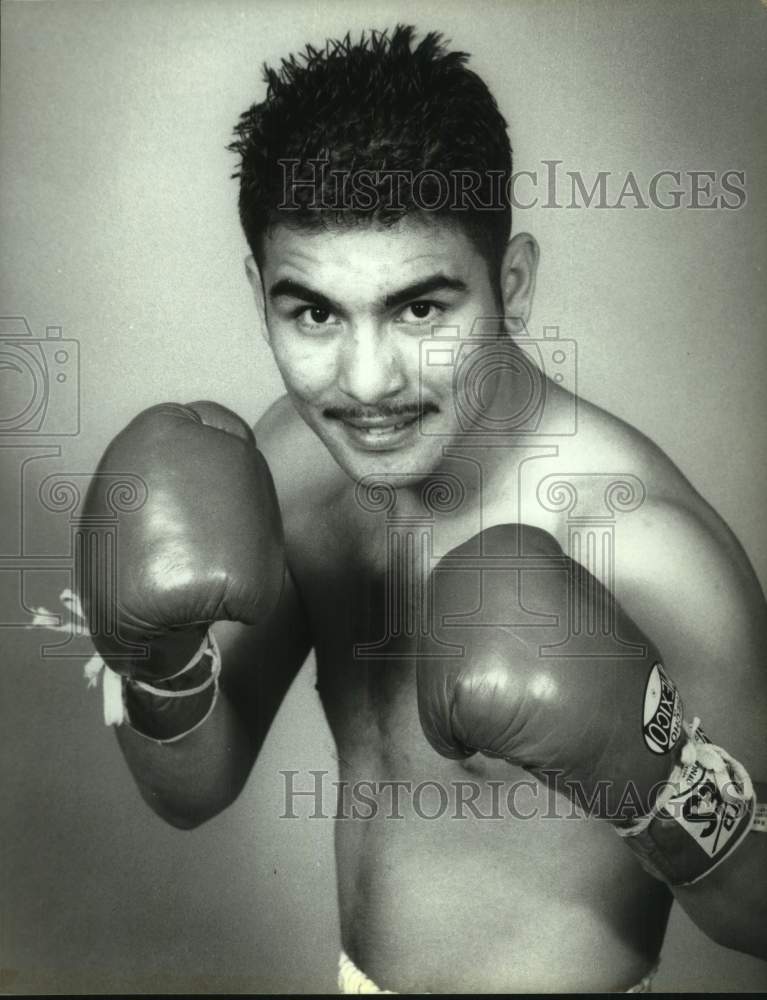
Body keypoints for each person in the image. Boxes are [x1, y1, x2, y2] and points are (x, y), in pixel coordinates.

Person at [76, 26, 766, 993]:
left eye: (420, 309)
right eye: (313, 312)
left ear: (511, 285)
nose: (366, 383)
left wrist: (661, 789)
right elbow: (192, 789)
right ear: (258, 295)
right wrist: (155, 668)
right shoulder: (293, 465)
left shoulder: (642, 546)